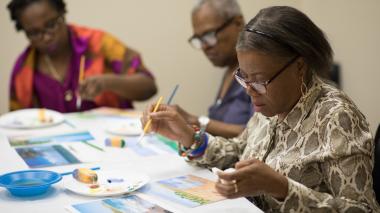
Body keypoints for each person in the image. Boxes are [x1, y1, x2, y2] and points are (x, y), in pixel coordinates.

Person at [141, 6, 380, 212]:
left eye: (258, 80)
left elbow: (362, 209)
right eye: (243, 78)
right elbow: (238, 152)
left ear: (299, 66)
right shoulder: (269, 107)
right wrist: (190, 138)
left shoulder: (337, 117)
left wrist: (282, 188)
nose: (249, 90)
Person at [7, 0, 157, 113]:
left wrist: (108, 83)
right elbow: (17, 125)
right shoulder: (23, 70)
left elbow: (149, 86)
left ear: (63, 14)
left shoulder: (98, 44)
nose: (46, 37)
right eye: (34, 33)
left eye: (51, 24)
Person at [176, 0, 253, 138]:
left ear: (238, 23)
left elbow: (259, 135)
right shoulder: (230, 68)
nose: (205, 47)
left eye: (209, 35)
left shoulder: (259, 71)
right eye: (199, 39)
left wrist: (194, 120)